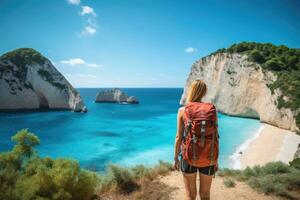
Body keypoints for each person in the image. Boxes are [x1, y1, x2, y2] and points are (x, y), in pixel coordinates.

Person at [173, 79, 219, 200]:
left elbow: (178, 137)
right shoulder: (212, 110)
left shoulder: (183, 111)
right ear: (204, 92)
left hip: (188, 157)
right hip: (209, 156)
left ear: (191, 91)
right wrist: (215, 159)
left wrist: (175, 157)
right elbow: (215, 136)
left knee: (190, 195)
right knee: (205, 195)